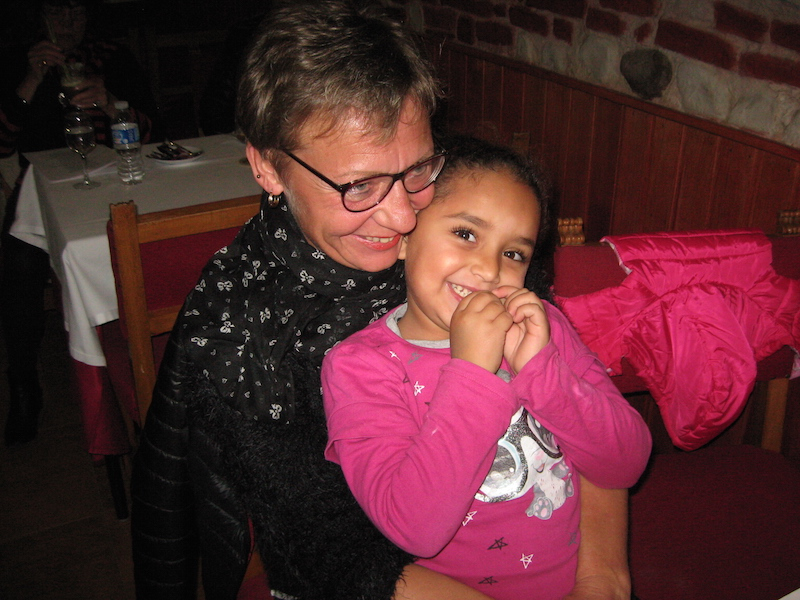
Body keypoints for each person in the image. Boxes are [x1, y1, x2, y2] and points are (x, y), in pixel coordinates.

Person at [131, 2, 638, 599]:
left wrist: (602, 577)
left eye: (417, 169)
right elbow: (335, 554)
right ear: (268, 167)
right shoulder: (243, 334)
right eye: (359, 185)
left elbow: (579, 421)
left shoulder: (460, 205)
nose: (402, 217)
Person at [321, 136, 652, 600]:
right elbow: (414, 529)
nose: (490, 268)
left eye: (514, 253)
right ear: (404, 235)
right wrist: (473, 373)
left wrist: (542, 372)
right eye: (466, 234)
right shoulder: (360, 367)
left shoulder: (543, 327)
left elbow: (626, 463)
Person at [0, 0, 157, 446]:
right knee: (18, 263)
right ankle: (24, 382)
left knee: (145, 237)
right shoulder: (18, 60)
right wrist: (31, 79)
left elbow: (151, 132)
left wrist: (109, 104)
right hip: (42, 187)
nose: (69, 22)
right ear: (41, 17)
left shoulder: (112, 57)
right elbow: (2, 141)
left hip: (113, 180)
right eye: (58, 12)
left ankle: (141, 357)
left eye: (77, 12)